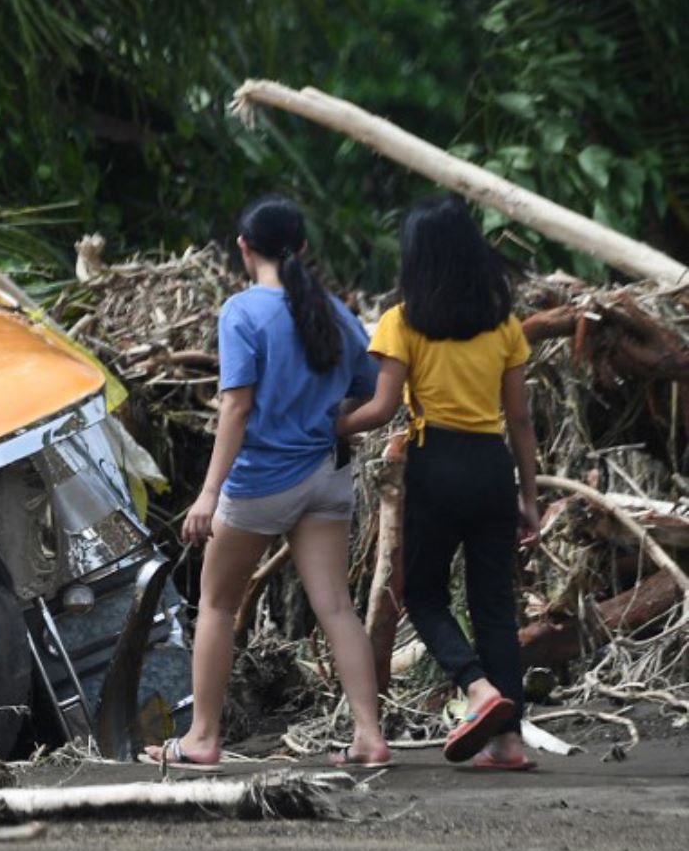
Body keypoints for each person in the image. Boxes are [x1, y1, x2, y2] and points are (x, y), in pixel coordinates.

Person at [145, 196, 391, 769]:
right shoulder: (332, 311)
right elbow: (367, 384)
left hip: (261, 482)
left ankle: (203, 737)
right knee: (334, 606)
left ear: (243, 248)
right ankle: (369, 735)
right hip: (326, 476)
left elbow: (235, 408)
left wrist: (208, 493)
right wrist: (327, 418)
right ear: (303, 249)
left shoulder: (242, 313)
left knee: (216, 604)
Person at [338, 196, 539, 770]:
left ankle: (477, 690)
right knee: (494, 605)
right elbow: (520, 420)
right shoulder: (503, 325)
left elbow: (379, 409)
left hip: (438, 462)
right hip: (492, 465)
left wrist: (331, 425)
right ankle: (509, 742)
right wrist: (529, 495)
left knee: (423, 594)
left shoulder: (403, 321)